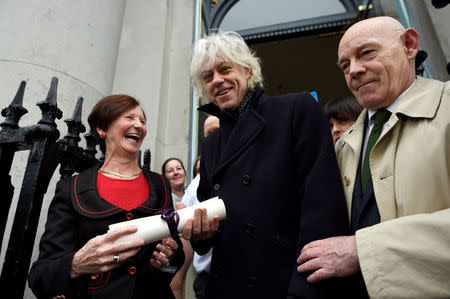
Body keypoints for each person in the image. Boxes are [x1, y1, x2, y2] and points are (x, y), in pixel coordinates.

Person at [181, 31, 351, 298]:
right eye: (207, 77)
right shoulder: (213, 144)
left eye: (224, 69)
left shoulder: (296, 110)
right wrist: (201, 234)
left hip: (285, 284)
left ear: (247, 70)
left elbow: (322, 209)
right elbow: (209, 226)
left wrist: (303, 291)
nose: (217, 80)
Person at [297, 16, 450, 298]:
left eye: (367, 52)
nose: (354, 70)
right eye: (345, 65)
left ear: (409, 45)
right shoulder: (341, 147)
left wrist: (364, 250)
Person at [28, 95, 184, 299]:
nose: (139, 125)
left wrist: (170, 257)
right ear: (102, 129)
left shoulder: (160, 184)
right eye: (129, 117)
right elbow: (40, 276)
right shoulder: (71, 188)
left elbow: (173, 254)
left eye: (143, 121)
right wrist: (76, 264)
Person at [181, 115, 219, 299]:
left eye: (217, 130)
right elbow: (186, 236)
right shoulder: (195, 185)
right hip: (208, 281)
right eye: (208, 134)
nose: (213, 137)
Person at [162, 158, 194, 299]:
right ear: (164, 177)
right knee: (175, 286)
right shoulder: (165, 199)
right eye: (170, 170)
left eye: (178, 168)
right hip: (174, 246)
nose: (176, 172)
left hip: (193, 247)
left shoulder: (192, 193)